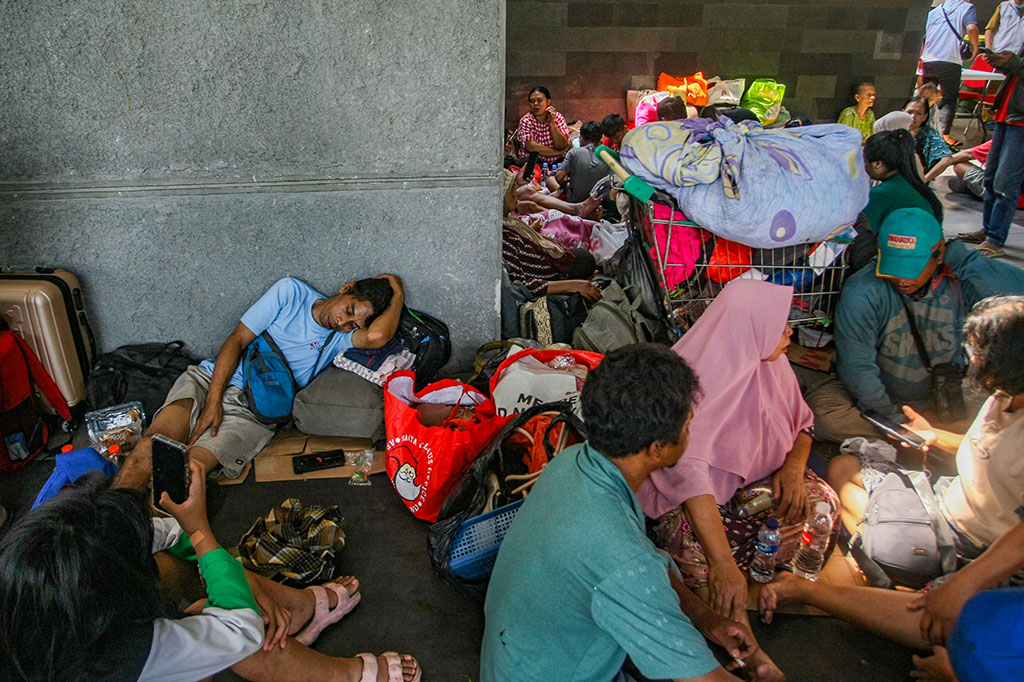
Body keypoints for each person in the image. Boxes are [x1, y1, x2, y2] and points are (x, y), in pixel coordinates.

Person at [760, 296, 1024, 682]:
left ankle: (813, 590)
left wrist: (963, 585)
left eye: (978, 352)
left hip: (984, 546)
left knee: (939, 618)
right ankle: (888, 564)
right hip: (944, 499)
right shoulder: (1006, 395)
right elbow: (985, 446)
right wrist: (934, 436)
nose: (971, 360)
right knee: (845, 466)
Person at [481, 344, 767, 682]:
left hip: (516, 662)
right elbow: (705, 680)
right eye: (688, 425)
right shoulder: (622, 559)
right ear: (657, 449)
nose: (691, 433)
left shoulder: (575, 462)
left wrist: (705, 618)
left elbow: (641, 565)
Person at [0, 462, 421, 682]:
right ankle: (344, 677)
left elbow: (162, 535)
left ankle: (296, 610)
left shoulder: (40, 576)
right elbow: (239, 630)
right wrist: (201, 531)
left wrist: (206, 551)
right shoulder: (120, 657)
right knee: (222, 618)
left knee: (204, 580)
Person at [639, 279, 840, 682]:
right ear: (750, 328)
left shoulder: (772, 363)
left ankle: (764, 579)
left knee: (821, 502)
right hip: (698, 502)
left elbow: (803, 423)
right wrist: (724, 564)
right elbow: (689, 476)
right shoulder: (692, 383)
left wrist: (793, 470)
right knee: (692, 549)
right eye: (780, 326)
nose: (789, 333)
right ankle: (747, 644)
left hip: (755, 488)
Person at [114, 274, 403, 490]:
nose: (341, 323)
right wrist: (213, 402)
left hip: (250, 412)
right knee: (149, 448)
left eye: (353, 325)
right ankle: (107, 525)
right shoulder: (291, 293)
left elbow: (378, 336)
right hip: (210, 380)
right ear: (346, 288)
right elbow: (237, 339)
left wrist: (398, 293)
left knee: (187, 474)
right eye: (348, 311)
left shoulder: (339, 339)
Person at [800, 208, 1024, 443]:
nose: (902, 279)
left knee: (1005, 417)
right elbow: (857, 367)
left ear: (940, 254)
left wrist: (965, 261)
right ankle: (933, 438)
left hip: (940, 396)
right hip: (876, 398)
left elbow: (1016, 301)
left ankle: (929, 437)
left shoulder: (960, 278)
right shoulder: (862, 291)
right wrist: (893, 421)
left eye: (912, 269)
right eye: (894, 268)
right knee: (823, 415)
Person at [501, 169, 600, 302]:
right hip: (545, 270)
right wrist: (572, 285)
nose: (516, 193)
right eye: (511, 190)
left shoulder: (507, 222)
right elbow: (522, 286)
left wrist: (530, 230)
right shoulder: (504, 238)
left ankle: (579, 214)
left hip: (543, 258)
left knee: (582, 255)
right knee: (584, 260)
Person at [970, 47, 1024, 259]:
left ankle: (996, 238)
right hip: (1007, 115)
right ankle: (988, 229)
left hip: (1020, 123)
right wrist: (1001, 62)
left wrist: (1012, 63)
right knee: (990, 177)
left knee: (1006, 182)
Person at [919, 0, 979, 145]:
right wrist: (975, 48)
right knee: (949, 99)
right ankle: (944, 134)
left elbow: (923, 35)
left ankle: (919, 128)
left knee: (925, 96)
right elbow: (971, 28)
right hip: (950, 59)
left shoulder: (933, 12)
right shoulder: (966, 7)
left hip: (928, 59)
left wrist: (921, 56)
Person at [862, 130, 944, 234]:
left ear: (877, 164)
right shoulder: (915, 185)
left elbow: (859, 234)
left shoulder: (880, 194)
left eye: (865, 161)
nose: (863, 165)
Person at [552, 120, 611, 203]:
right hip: (600, 201)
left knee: (550, 180)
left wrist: (565, 184)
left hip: (575, 200)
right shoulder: (608, 155)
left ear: (581, 138)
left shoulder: (574, 152)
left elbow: (559, 177)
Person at [904, 96, 955, 182]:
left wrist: (924, 180)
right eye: (909, 112)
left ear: (925, 117)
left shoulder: (929, 134)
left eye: (919, 113)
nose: (913, 117)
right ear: (902, 112)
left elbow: (947, 159)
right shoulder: (892, 127)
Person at [515, 86, 570, 165]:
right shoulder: (526, 120)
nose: (535, 104)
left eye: (539, 100)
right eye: (532, 101)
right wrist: (557, 152)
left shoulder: (557, 117)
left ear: (548, 101)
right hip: (535, 161)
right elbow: (531, 147)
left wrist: (552, 124)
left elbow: (562, 145)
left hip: (557, 161)